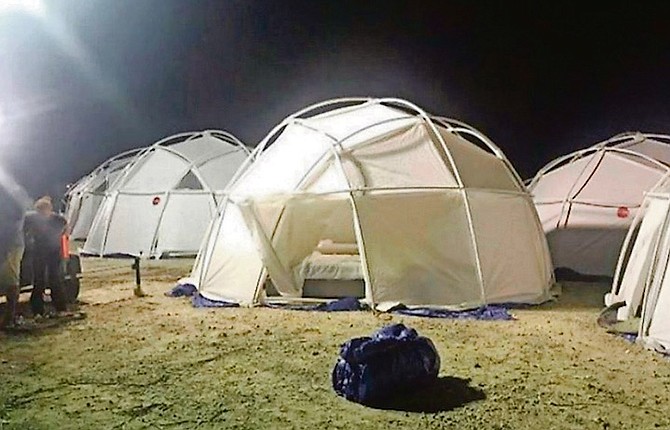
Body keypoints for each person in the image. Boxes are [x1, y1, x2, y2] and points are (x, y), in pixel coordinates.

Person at [23, 196, 68, 317]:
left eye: (45, 211)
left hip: (54, 252)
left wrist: (59, 237)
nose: (43, 214)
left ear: (49, 209)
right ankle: (37, 310)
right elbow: (23, 227)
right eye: (40, 211)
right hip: (39, 251)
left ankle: (60, 308)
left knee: (55, 279)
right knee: (39, 281)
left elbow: (65, 226)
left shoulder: (57, 219)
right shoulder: (32, 218)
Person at [0, 188, 26, 328]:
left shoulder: (10, 201)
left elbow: (15, 220)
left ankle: (10, 316)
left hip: (11, 244)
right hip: (5, 242)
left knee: (10, 278)